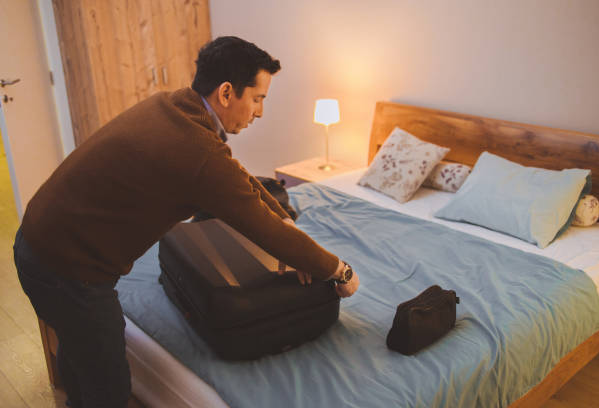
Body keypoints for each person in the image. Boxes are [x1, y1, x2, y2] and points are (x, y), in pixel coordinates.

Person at [13, 36, 359, 407]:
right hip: (67, 269)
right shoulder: (197, 153)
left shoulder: (173, 106)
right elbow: (257, 222)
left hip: (37, 241)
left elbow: (238, 179)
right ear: (227, 93)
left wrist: (289, 225)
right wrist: (339, 270)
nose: (260, 112)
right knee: (109, 389)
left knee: (79, 353)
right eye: (258, 99)